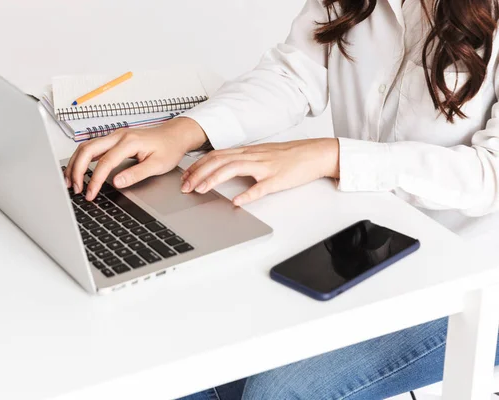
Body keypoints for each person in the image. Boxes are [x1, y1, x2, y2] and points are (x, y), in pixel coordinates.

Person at [64, 0, 499, 397]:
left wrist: (332, 156)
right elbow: (293, 75)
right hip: (371, 240)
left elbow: (491, 175)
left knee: (276, 391)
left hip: (478, 272)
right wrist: (184, 131)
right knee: (191, 357)